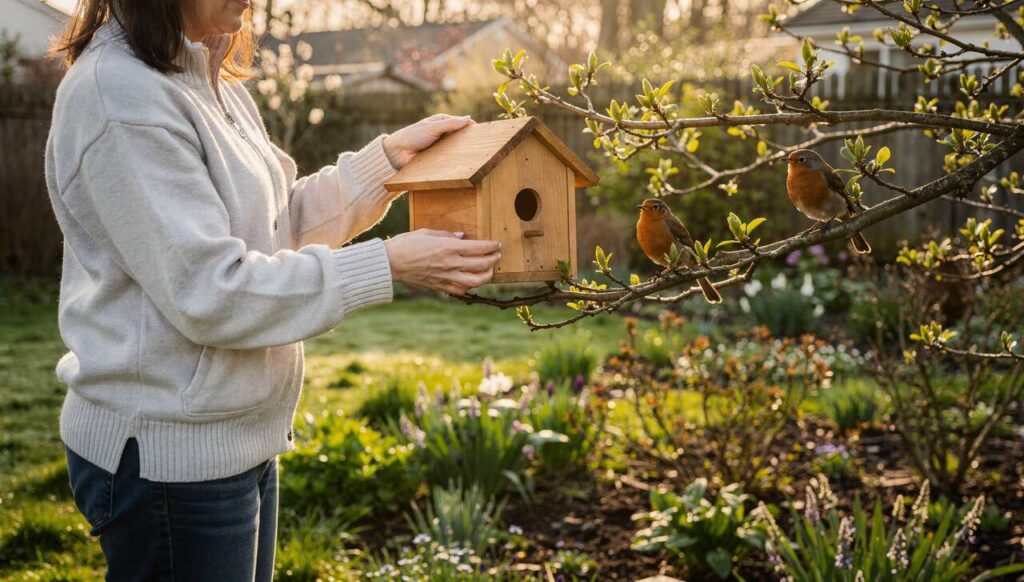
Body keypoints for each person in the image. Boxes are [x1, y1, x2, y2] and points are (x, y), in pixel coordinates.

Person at [45, 0, 502, 579]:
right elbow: (212, 293)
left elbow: (274, 226)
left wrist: (383, 165)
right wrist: (386, 265)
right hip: (169, 458)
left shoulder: (208, 77)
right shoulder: (118, 96)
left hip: (237, 438)